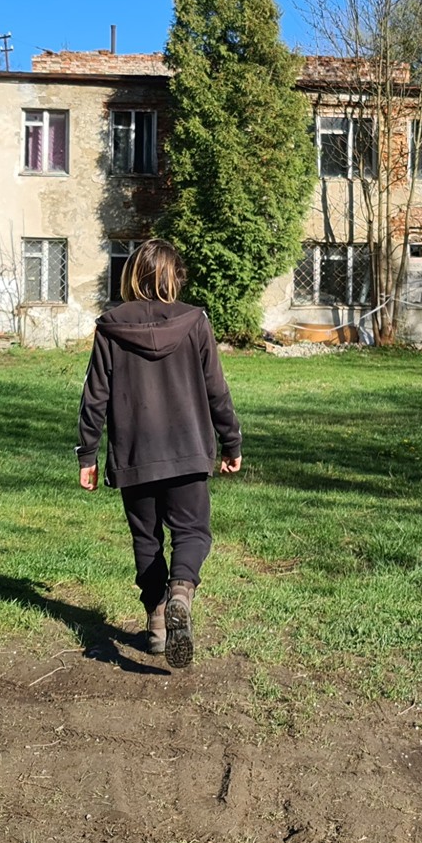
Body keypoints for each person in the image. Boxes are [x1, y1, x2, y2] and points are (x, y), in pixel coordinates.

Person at [76, 239, 242, 668]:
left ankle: (156, 619)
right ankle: (181, 592)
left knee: (146, 538)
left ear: (132, 276)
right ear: (174, 278)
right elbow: (216, 388)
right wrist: (232, 441)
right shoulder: (195, 321)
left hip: (134, 455)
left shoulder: (110, 327)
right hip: (188, 450)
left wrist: (87, 454)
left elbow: (94, 396)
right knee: (192, 532)